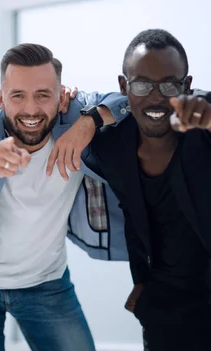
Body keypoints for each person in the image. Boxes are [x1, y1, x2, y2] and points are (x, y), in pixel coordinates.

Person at [0, 43, 130, 350]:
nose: (31, 108)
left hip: (48, 283)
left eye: (43, 94)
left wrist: (88, 122)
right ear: (1, 98)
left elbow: (129, 101)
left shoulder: (74, 116)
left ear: (61, 96)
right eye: (18, 95)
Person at [90, 29, 211, 351]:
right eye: (142, 84)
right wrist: (141, 282)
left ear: (187, 86)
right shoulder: (111, 146)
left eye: (170, 85)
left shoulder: (204, 125)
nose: (156, 98)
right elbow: (132, 212)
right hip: (163, 308)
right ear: (123, 87)